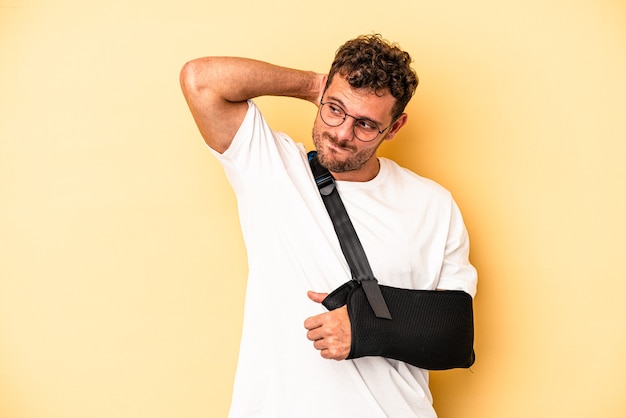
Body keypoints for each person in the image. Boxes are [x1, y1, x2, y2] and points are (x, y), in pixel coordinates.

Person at [180, 34, 477, 418]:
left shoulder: (433, 204)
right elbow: (200, 80)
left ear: (395, 126)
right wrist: (311, 84)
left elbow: (453, 336)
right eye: (334, 109)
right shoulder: (271, 169)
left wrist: (365, 327)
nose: (341, 133)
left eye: (366, 124)